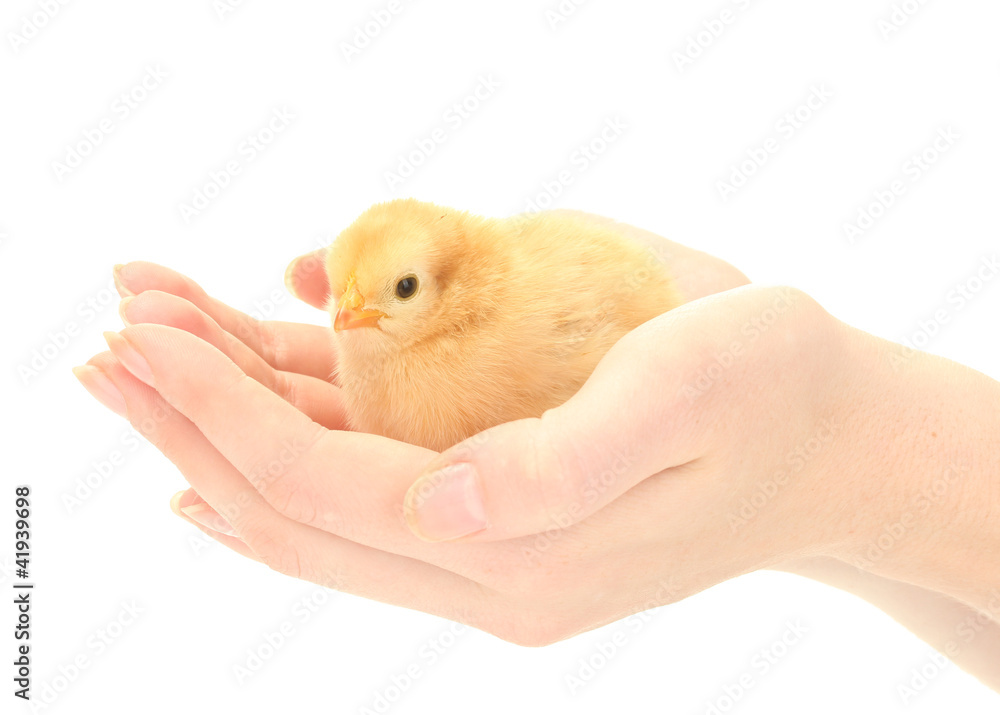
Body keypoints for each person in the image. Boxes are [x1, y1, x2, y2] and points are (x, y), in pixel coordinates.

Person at [72, 211, 1000, 690]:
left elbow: (600, 316)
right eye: (347, 292)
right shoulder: (377, 337)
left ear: (456, 283)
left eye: (393, 289)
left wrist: (831, 443)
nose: (346, 315)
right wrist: (806, 487)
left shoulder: (505, 328)